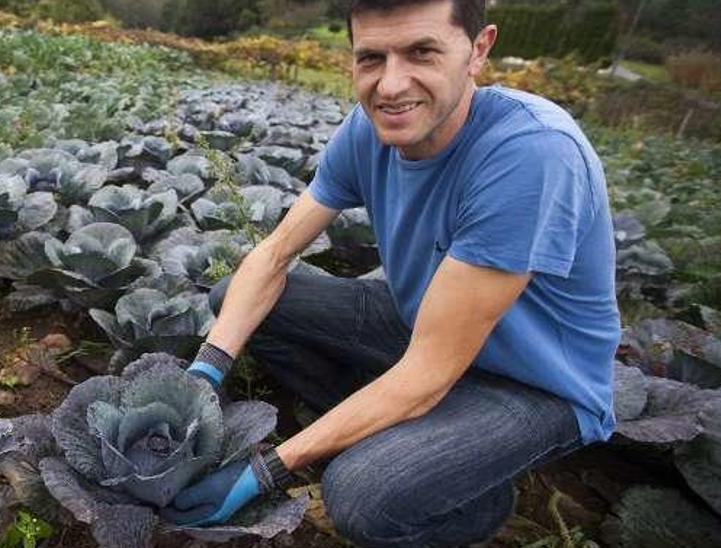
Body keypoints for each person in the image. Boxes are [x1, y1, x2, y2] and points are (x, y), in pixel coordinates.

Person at [160, 0, 621, 545]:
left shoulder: (532, 153)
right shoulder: (368, 129)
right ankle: (404, 433)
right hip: (421, 327)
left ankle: (475, 496)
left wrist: (265, 471)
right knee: (234, 297)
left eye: (421, 52)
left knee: (361, 496)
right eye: (371, 58)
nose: (391, 84)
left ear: (478, 49)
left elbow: (430, 370)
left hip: (534, 384)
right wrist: (204, 374)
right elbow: (274, 255)